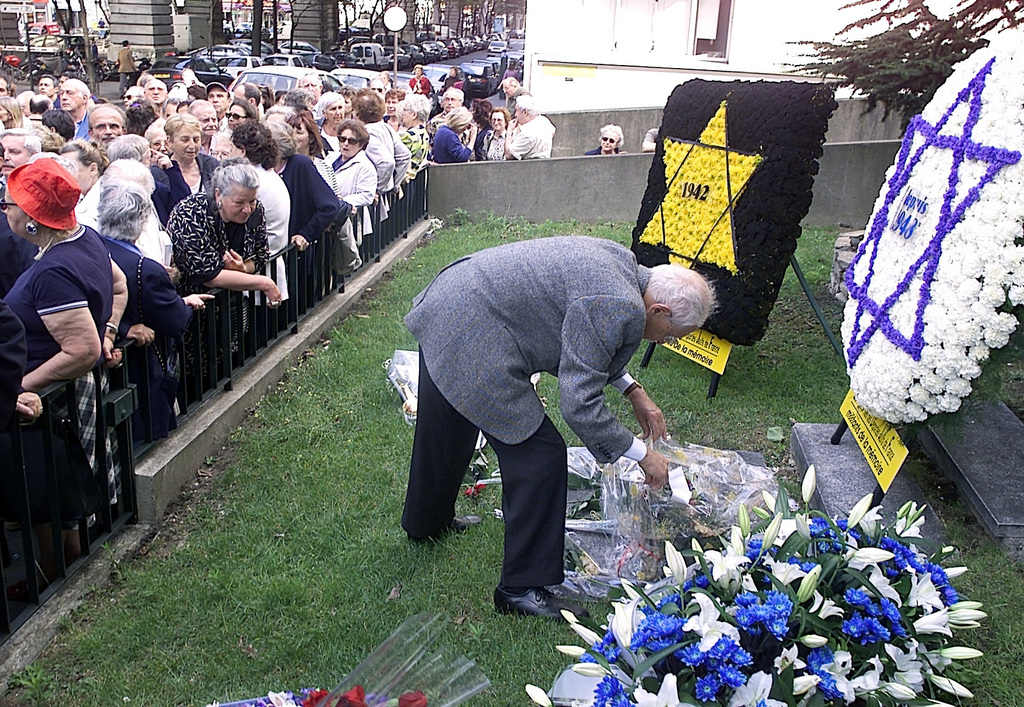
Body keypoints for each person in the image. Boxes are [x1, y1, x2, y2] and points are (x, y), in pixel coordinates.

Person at [402, 236, 716, 619]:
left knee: (450, 414)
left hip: (452, 302)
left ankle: (426, 523)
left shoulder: (626, 267)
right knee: (541, 455)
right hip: (477, 329)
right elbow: (579, 404)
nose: (665, 340)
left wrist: (633, 389)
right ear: (661, 309)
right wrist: (642, 454)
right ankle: (520, 589)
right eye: (670, 335)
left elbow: (588, 343)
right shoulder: (618, 304)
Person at [2, 158, 128, 587]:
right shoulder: (85, 238)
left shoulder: (54, 269)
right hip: (65, 396)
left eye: (10, 205)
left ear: (33, 219)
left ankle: (54, 574)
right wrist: (110, 331)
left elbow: (81, 350)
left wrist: (19, 387)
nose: (5, 211)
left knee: (48, 490)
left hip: (53, 404)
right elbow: (118, 286)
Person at [98, 179, 208, 443]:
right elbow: (175, 320)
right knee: (145, 438)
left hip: (107, 366)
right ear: (142, 220)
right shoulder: (144, 269)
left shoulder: (94, 252)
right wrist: (184, 305)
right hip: (143, 371)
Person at [167, 160, 281, 307]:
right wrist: (265, 283)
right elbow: (208, 275)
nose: (247, 209)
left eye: (252, 200)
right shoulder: (190, 214)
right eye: (239, 202)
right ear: (218, 195)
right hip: (195, 307)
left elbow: (261, 254)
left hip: (234, 306)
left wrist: (243, 269)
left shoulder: (256, 209)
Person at [231, 122, 290, 301]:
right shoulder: (269, 176)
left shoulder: (251, 180)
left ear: (242, 151)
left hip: (257, 269)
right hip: (267, 262)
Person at [330, 119, 375, 275]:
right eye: (342, 139)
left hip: (349, 218)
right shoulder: (331, 159)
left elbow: (367, 195)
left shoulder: (365, 166)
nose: (345, 144)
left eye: (351, 141)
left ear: (361, 144)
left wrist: (343, 202)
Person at [156, 113, 219, 210]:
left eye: (196, 139)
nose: (192, 145)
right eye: (185, 140)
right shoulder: (159, 172)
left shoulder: (211, 165)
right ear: (169, 141)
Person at [60, 139, 108, 225]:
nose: (64, 174)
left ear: (93, 169)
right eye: (62, 168)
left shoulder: (105, 201)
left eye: (71, 168)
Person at [505, 96, 555, 160]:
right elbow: (553, 131)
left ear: (525, 112)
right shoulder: (545, 121)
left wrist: (509, 132)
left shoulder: (526, 133)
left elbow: (509, 155)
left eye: (517, 110)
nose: (515, 115)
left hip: (528, 167)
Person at [398, 94, 430, 177]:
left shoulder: (407, 136)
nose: (402, 113)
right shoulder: (424, 133)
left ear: (414, 115)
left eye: (405, 110)